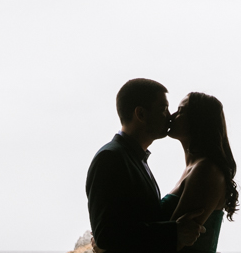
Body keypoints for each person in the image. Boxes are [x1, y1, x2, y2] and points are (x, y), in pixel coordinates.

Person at [86, 79, 206, 253]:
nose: (170, 115)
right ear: (140, 114)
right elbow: (106, 235)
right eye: (163, 109)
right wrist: (173, 232)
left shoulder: (132, 158)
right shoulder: (110, 158)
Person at [160, 92, 239, 253]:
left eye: (181, 111)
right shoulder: (197, 168)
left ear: (197, 121)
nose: (173, 115)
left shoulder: (206, 171)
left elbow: (171, 241)